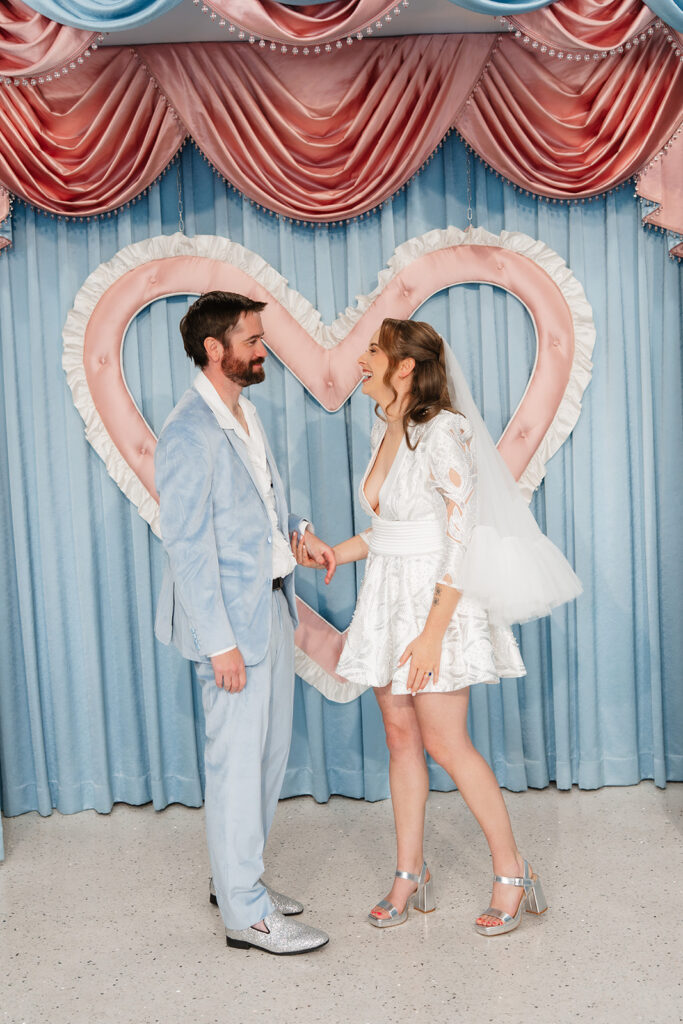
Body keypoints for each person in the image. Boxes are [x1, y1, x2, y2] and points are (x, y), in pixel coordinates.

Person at [293, 317, 581, 936]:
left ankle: (513, 871)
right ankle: (410, 872)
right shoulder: (387, 427)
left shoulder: (445, 430)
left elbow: (459, 533)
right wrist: (336, 553)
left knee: (447, 744)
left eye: (373, 350)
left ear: (405, 366)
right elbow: (393, 529)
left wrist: (432, 634)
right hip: (387, 597)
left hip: (437, 602)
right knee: (400, 738)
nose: (361, 360)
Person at [155, 290, 335, 955]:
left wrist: (299, 532)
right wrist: (219, 644)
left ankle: (237, 881)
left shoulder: (244, 412)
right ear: (215, 348)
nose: (264, 351)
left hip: (272, 609)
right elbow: (187, 546)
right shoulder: (187, 431)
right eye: (253, 341)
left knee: (266, 759)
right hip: (232, 630)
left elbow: (263, 502)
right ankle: (246, 916)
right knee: (236, 767)